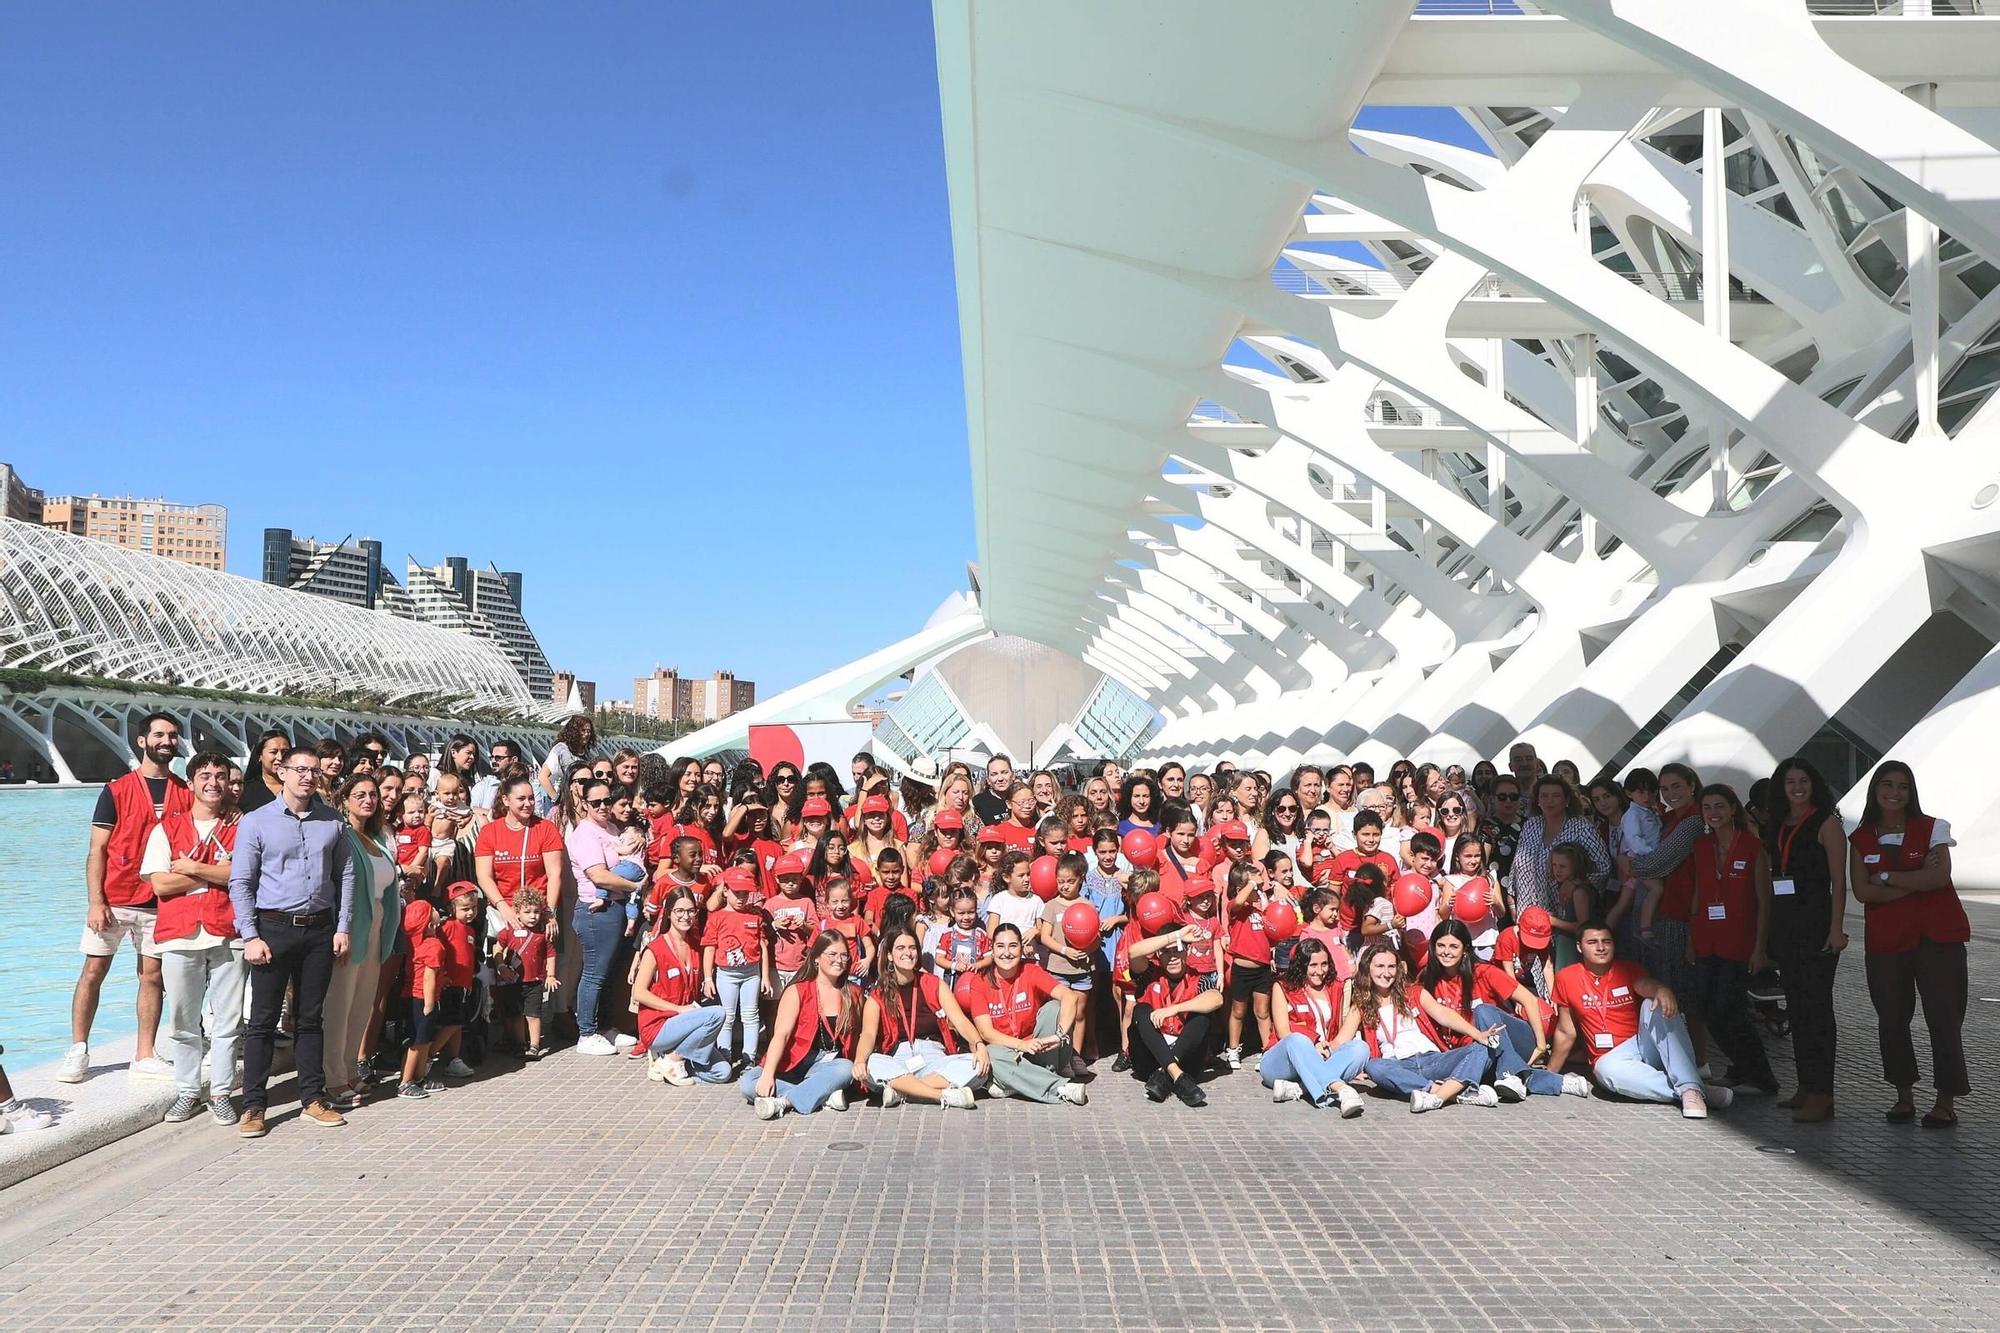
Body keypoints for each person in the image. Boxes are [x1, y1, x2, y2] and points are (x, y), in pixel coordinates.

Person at [226, 745, 356, 1136]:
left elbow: (346, 877)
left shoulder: (332, 822)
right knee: (263, 1022)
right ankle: (253, 1106)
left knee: (310, 1018)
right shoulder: (256, 821)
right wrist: (250, 934)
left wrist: (342, 927)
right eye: (300, 769)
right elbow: (241, 882)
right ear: (282, 772)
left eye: (314, 771)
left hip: (319, 930)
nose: (308, 777)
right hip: (273, 929)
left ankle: (313, 1099)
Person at [61, 711, 190, 1085]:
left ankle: (144, 1054)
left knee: (152, 976)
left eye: (173, 735)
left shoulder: (184, 791)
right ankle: (79, 1049)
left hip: (160, 901)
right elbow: (96, 850)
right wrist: (95, 901)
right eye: (160, 735)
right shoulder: (115, 790)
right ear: (142, 741)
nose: (167, 741)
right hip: (115, 900)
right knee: (93, 971)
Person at [1850, 760, 1969, 1129]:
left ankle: (1945, 1101)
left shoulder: (1934, 828)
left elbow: (1939, 878)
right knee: (1891, 1019)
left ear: (1911, 791)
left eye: (1902, 786)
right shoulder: (1861, 837)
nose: (1894, 792)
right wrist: (1914, 878)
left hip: (1939, 939)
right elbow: (1861, 891)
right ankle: (1903, 1095)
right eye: (1887, 784)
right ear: (1875, 790)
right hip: (1887, 942)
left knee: (1944, 1018)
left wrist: (1885, 877)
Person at [142, 750, 244, 1125]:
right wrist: (215, 872)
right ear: (191, 783)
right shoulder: (165, 829)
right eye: (205, 775)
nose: (213, 782)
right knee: (183, 1020)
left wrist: (194, 867)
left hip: (227, 930)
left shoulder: (241, 826)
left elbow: (243, 874)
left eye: (220, 775)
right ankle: (188, 1091)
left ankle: (220, 1092)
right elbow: (160, 883)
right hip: (179, 934)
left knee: (228, 1021)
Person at [1550, 921, 1733, 1118]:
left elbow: (1645, 985)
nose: (1601, 947)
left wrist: (1661, 990)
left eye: (1607, 941)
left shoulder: (1628, 969)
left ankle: (1690, 1086)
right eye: (1592, 942)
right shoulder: (1566, 977)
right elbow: (1566, 1031)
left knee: (1653, 1003)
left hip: (1642, 1044)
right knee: (1605, 1070)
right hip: (1612, 1059)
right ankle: (1693, 1090)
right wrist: (1549, 1075)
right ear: (1579, 947)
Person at [1763, 756, 1849, 1122]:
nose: (1797, 787)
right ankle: (1804, 1085)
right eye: (1789, 782)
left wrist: (1836, 927)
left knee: (1817, 1010)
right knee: (1796, 1007)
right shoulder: (1779, 824)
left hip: (1816, 925)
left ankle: (1822, 1093)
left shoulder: (1827, 823)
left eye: (1803, 781)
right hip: (1786, 925)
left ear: (1814, 784)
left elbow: (1838, 882)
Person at [1419, 920, 1586, 1101]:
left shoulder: (1484, 972)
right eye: (1441, 945)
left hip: (1514, 1038)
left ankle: (1508, 1073)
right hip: (1480, 1050)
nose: (1446, 952)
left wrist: (1540, 1045)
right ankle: (1558, 1082)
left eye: (1453, 946)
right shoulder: (1426, 979)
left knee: (1482, 1011)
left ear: (1465, 950)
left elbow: (1529, 1000)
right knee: (1490, 1067)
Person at [1687, 784, 1778, 1097]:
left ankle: (1760, 1074)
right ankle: (1742, 1068)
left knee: (1730, 1008)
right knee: (1707, 1009)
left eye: (1719, 806)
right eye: (1707, 808)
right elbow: (1698, 891)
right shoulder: (1701, 846)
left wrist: (1760, 948)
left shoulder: (1753, 847)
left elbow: (1764, 903)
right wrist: (1690, 936)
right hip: (1706, 939)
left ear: (1732, 808)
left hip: (1739, 942)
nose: (1713, 813)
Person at [321, 772, 401, 1113]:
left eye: (372, 795)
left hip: (377, 924)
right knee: (339, 1005)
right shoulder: (341, 835)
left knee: (362, 1002)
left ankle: (352, 1067)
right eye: (360, 795)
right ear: (345, 799)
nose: (368, 800)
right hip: (351, 925)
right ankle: (333, 1076)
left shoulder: (376, 838)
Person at [1344, 941, 1501, 1112]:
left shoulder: (1413, 992)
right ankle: (1450, 1093)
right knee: (1374, 1066)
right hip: (1398, 1066)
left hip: (1432, 1060)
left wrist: (1478, 1034)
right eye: (1380, 966)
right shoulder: (1361, 1005)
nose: (1386, 973)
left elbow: (1443, 1014)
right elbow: (1342, 1040)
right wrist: (1323, 1052)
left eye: (1391, 966)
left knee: (1481, 1049)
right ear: (1368, 969)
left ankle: (1435, 1098)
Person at [857, 927, 989, 1109]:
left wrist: (979, 1044)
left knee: (978, 1066)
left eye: (912, 948)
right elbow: (868, 1034)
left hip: (933, 1055)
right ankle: (941, 1094)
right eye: (900, 948)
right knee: (872, 1063)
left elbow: (960, 1021)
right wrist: (859, 1061)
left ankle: (902, 1090)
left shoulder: (934, 984)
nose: (908, 953)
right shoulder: (878, 993)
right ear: (889, 955)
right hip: (898, 1057)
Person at [963, 923, 1088, 1105]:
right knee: (990, 1052)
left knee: (1054, 1007)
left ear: (1022, 948)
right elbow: (986, 1033)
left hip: (1041, 1050)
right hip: (1008, 1051)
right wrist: (1021, 1044)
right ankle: (1060, 1087)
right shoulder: (979, 982)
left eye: (1013, 946)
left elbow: (1069, 996)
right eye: (1000, 946)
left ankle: (1016, 1081)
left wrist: (1059, 1035)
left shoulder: (1030, 970)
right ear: (992, 949)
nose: (1006, 953)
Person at [742, 933, 861, 1119]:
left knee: (846, 1068)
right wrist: (768, 1074)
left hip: (828, 1065)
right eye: (832, 954)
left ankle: (785, 1101)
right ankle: (822, 1095)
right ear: (816, 958)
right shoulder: (798, 991)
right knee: (749, 1083)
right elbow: (781, 1035)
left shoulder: (853, 992)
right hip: (794, 1062)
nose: (839, 960)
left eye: (844, 955)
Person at [567, 777, 645, 1055]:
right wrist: (637, 886)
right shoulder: (585, 833)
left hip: (617, 908)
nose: (602, 806)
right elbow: (598, 875)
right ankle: (586, 1032)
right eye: (596, 802)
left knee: (609, 972)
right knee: (594, 973)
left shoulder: (612, 828)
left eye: (606, 801)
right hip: (596, 910)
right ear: (585, 804)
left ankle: (603, 1027)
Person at [1508, 775, 1610, 970]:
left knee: (1563, 973)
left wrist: (1575, 883)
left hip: (1566, 919)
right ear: (1537, 800)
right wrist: (1512, 902)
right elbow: (1516, 864)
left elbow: (1603, 866)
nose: (1549, 800)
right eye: (1544, 796)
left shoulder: (1580, 826)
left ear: (1567, 800)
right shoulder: (1531, 825)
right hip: (1529, 914)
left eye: (1556, 795)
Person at [632, 888, 731, 1086]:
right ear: (669, 913)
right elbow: (639, 992)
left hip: (686, 1023)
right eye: (680, 911)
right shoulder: (655, 948)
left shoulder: (695, 946)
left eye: (691, 911)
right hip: (659, 1025)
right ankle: (673, 1059)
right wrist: (677, 1009)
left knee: (723, 1072)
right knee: (718, 1014)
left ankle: (672, 1062)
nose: (686, 917)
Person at [1261, 937, 1367, 1113]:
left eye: (1324, 964)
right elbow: (1283, 1032)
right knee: (1297, 1040)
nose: (1320, 971)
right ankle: (1341, 1089)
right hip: (1282, 1059)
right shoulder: (1282, 987)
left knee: (1360, 1048)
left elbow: (1340, 1038)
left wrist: (1328, 1048)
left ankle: (1299, 1088)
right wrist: (1314, 1045)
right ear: (1302, 966)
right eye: (1313, 965)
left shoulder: (1336, 987)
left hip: (1322, 1057)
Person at [1126, 931, 1224, 1107]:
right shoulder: (1149, 973)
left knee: (1203, 1016)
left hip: (1186, 1059)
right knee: (1141, 1010)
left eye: (1177, 950)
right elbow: (1133, 952)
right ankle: (1176, 1075)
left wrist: (1174, 1009)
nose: (1172, 957)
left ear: (1186, 951)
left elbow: (1217, 999)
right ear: (1157, 954)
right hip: (1148, 1059)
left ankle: (1165, 1074)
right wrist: (1176, 935)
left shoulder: (1199, 978)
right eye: (1165, 952)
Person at [474, 775, 566, 933]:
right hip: (503, 910)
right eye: (521, 799)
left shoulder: (546, 828)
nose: (528, 804)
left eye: (531, 798)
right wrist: (503, 907)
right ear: (506, 800)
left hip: (538, 912)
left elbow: (554, 875)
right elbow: (484, 876)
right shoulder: (489, 832)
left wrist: (548, 912)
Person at [493, 886, 560, 1059]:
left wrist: (551, 975)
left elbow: (551, 954)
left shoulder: (542, 933)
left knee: (533, 1014)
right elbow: (498, 948)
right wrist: (500, 967)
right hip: (513, 981)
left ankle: (534, 1045)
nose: (533, 916)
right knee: (515, 1014)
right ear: (517, 912)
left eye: (537, 912)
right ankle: (521, 1043)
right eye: (527, 911)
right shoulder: (508, 931)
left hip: (535, 981)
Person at [398, 900, 448, 1100]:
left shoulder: (414, 944)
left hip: (412, 996)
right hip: (423, 999)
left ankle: (418, 1077)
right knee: (417, 1043)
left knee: (424, 1041)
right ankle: (405, 1082)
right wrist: (429, 1003)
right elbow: (428, 976)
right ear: (429, 924)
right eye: (433, 911)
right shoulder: (434, 946)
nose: (437, 911)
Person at [535, 715, 594, 814]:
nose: (587, 734)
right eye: (583, 730)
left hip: (577, 802)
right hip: (558, 802)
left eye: (589, 731)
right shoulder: (561, 750)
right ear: (574, 732)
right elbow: (542, 776)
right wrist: (557, 799)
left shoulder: (586, 754)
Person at [237, 727, 290, 813]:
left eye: (285, 752)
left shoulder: (300, 787)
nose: (280, 757)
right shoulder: (245, 791)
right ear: (259, 756)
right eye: (273, 752)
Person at [973, 754, 1016, 825]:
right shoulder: (978, 802)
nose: (1000, 779)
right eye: (994, 774)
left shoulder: (1022, 798)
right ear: (988, 780)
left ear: (1013, 775)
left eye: (1004, 772)